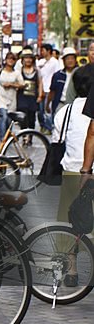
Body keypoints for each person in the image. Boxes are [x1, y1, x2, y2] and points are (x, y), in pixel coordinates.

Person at [54, 67, 92, 224]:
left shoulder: (65, 111)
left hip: (70, 170)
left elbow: (57, 139)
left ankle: (65, 247)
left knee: (66, 217)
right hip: (90, 173)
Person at [0, 52, 24, 139]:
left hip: (11, 99)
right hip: (0, 98)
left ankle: (8, 138)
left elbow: (22, 84)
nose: (11, 60)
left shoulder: (17, 73)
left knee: (9, 120)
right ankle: (2, 139)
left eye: (13, 59)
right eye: (9, 58)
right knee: (3, 117)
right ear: (6, 60)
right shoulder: (0, 71)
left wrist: (12, 85)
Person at [16, 50, 42, 131]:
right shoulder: (19, 70)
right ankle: (24, 135)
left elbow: (40, 83)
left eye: (30, 58)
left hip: (32, 97)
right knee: (23, 117)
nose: (28, 60)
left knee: (32, 117)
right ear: (22, 60)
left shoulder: (37, 70)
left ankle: (30, 135)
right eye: (26, 58)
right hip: (22, 96)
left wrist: (40, 95)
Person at [37, 43, 60, 132]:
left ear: (49, 51)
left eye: (43, 50)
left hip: (50, 89)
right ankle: (43, 125)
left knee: (48, 110)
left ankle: (49, 128)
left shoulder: (55, 62)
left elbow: (57, 75)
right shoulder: (41, 62)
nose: (42, 52)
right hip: (41, 89)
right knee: (40, 111)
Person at [50, 46, 79, 111]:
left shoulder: (81, 74)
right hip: (60, 104)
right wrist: (48, 104)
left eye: (72, 58)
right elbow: (52, 91)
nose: (70, 61)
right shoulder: (58, 75)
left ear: (75, 60)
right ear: (63, 60)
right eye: (68, 58)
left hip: (76, 106)